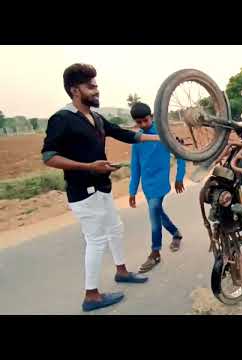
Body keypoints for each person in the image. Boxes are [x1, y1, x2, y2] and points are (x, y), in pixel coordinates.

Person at [41, 63, 161, 312]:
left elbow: (125, 134)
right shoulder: (62, 119)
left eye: (96, 85)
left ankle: (121, 271)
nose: (97, 90)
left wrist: (162, 138)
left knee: (116, 229)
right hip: (83, 193)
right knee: (95, 241)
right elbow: (48, 156)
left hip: (102, 188)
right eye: (91, 86)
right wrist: (89, 167)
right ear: (75, 90)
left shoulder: (95, 117)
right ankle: (91, 295)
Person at [128, 102, 186, 273]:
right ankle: (176, 233)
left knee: (154, 214)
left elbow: (180, 155)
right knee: (158, 212)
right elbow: (135, 167)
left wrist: (179, 177)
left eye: (145, 120)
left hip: (160, 182)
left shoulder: (164, 134)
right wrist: (132, 191)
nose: (143, 125)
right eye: (139, 122)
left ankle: (155, 252)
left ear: (152, 117)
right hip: (147, 185)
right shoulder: (137, 140)